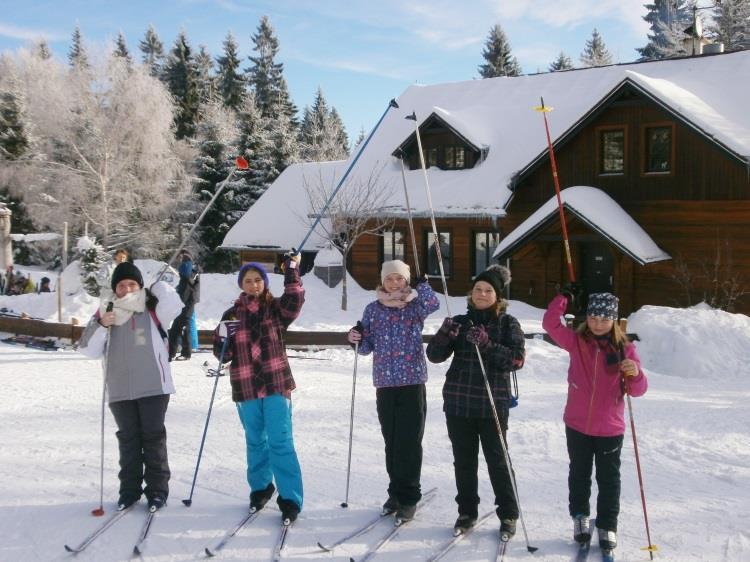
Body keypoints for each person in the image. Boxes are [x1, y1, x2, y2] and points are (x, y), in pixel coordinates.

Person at [542, 288, 648, 553]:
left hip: (610, 428)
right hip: (577, 424)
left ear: (613, 320)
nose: (598, 323)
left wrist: (635, 373)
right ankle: (580, 518)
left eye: (604, 318)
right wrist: (563, 298)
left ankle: (607, 525)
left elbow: (638, 390)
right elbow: (550, 324)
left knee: (609, 479)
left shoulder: (625, 349)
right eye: (593, 317)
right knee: (579, 474)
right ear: (587, 317)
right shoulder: (577, 342)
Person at [426, 264, 525, 538]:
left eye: (488, 290)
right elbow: (434, 356)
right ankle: (467, 512)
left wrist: (487, 344)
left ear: (498, 296)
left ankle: (508, 513)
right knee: (464, 461)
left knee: (498, 460)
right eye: (478, 289)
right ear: (471, 294)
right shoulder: (460, 320)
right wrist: (445, 335)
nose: (482, 294)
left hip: (492, 405)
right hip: (459, 402)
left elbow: (516, 360)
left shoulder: (507, 323)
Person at [78, 262, 183, 512]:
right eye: (122, 285)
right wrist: (102, 324)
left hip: (154, 387)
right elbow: (87, 349)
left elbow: (175, 305)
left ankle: (157, 491)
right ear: (115, 288)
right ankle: (129, 491)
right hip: (120, 390)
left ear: (140, 286)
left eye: (132, 284)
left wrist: (159, 286)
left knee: (153, 439)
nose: (127, 289)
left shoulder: (153, 308)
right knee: (128, 442)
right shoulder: (106, 311)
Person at [213, 254, 305, 523]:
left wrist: (291, 268)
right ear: (241, 284)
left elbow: (295, 298)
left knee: (280, 441)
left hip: (276, 384)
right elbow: (223, 353)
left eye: (257, 281)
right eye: (248, 281)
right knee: (255, 440)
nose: (253, 285)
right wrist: (221, 342)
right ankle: (261, 487)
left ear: (264, 284)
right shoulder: (231, 314)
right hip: (246, 386)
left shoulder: (276, 309)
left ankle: (290, 498)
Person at [347, 259, 440, 521]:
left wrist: (424, 286)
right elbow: (365, 348)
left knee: (409, 443)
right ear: (382, 281)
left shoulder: (415, 306)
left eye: (400, 278)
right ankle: (395, 492)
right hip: (385, 384)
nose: (395, 283)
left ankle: (409, 496)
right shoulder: (373, 310)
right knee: (392, 441)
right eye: (390, 278)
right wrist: (355, 336)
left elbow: (433, 304)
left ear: (406, 281)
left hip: (411, 382)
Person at [168, 252, 199, 361]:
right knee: (177, 329)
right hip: (184, 303)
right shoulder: (191, 273)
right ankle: (172, 352)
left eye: (180, 258)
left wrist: (180, 300)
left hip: (186, 305)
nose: (179, 260)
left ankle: (185, 353)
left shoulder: (188, 270)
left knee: (182, 328)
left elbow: (187, 285)